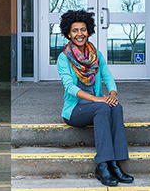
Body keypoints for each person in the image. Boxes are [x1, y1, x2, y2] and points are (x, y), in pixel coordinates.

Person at [57, 10, 134, 187]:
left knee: (116, 107)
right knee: (102, 107)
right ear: (68, 33)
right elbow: (69, 87)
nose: (79, 34)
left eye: (83, 30)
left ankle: (115, 164)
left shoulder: (96, 55)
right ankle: (102, 165)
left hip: (96, 106)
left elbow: (108, 77)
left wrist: (112, 95)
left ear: (88, 31)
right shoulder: (64, 58)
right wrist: (97, 99)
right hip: (75, 110)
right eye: (75, 30)